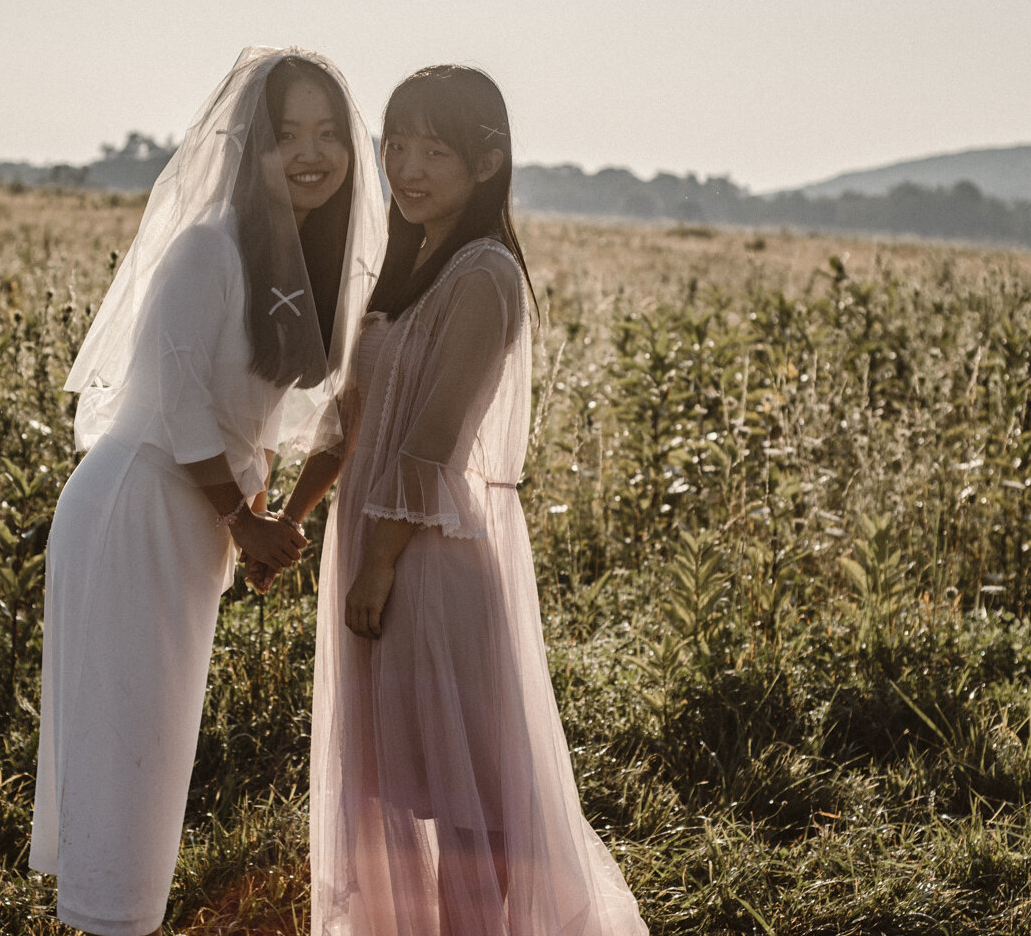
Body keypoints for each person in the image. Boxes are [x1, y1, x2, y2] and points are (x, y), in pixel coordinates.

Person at [265, 65, 647, 935]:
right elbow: (350, 416)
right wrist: (292, 512)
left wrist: (381, 562)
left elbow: (432, 435)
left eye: (434, 149)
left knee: (469, 807)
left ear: (487, 160)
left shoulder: (484, 274)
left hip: (428, 561)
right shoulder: (406, 263)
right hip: (375, 555)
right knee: (399, 794)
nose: (407, 167)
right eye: (397, 144)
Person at [31, 47, 384, 936]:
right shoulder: (207, 246)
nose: (310, 153)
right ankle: (110, 917)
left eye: (327, 133)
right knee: (125, 743)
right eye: (285, 135)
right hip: (137, 506)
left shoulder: (303, 260)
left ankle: (119, 914)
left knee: (154, 748)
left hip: (195, 524)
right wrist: (246, 522)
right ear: (247, 147)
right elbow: (185, 415)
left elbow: (321, 409)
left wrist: (278, 519)